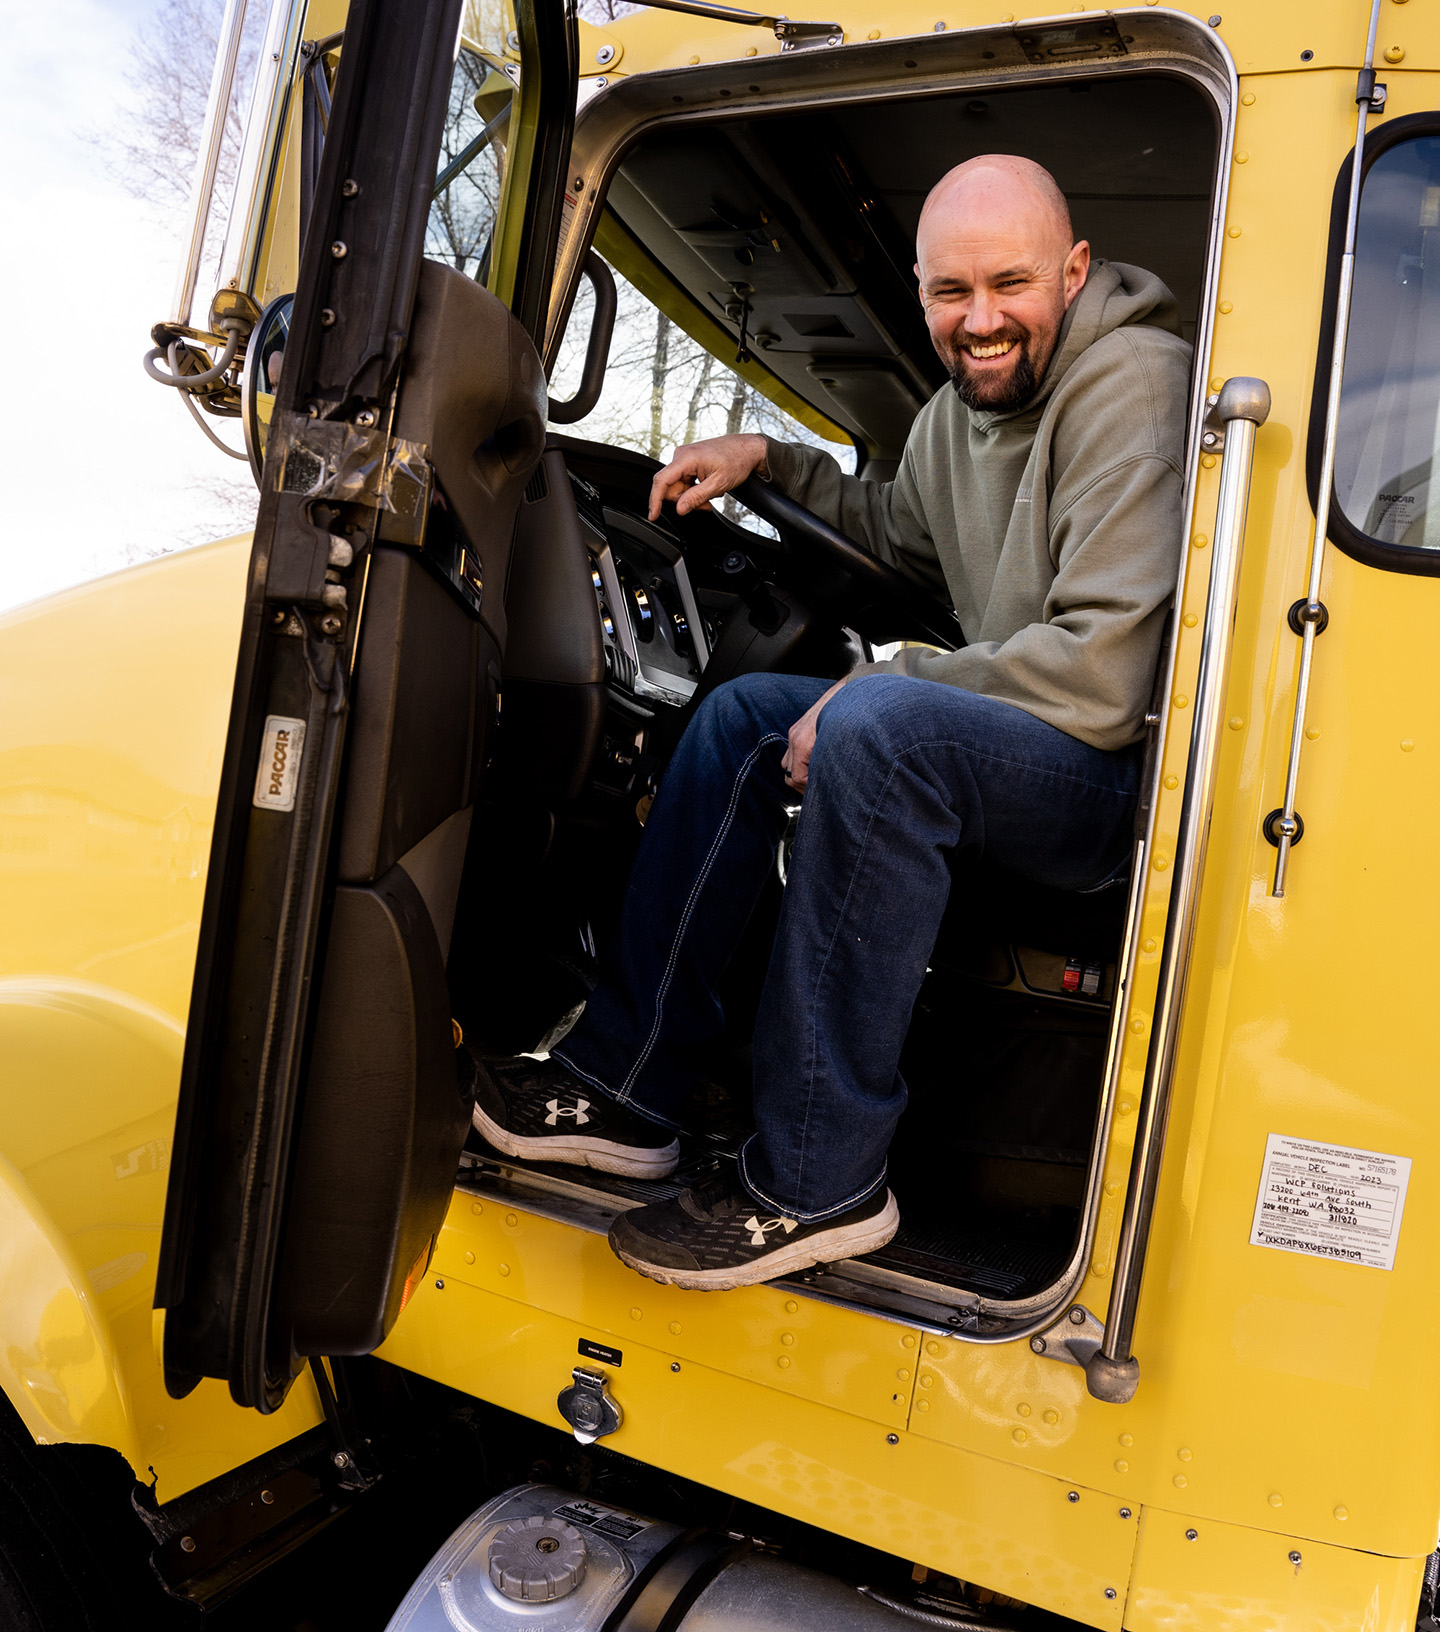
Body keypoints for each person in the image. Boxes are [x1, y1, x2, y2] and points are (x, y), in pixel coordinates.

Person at [472, 153, 1190, 1290]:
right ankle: (626, 1088)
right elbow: (899, 535)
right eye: (952, 294)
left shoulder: (1135, 387)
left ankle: (818, 1180)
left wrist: (889, 684)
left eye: (1011, 284)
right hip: (1015, 737)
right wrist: (770, 460)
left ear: (1076, 269)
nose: (983, 319)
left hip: (1108, 780)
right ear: (922, 292)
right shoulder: (962, 411)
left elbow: (1102, 674)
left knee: (880, 731)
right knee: (743, 716)